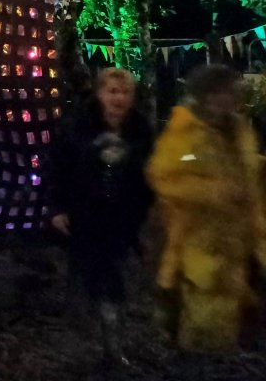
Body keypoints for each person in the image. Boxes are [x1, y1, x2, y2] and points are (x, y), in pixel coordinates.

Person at [147, 64, 266, 353]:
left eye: (232, 92)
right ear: (206, 95)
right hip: (198, 242)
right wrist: (214, 192)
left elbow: (248, 170)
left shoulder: (240, 129)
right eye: (222, 92)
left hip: (242, 238)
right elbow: (164, 176)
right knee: (201, 319)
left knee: (241, 312)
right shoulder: (184, 132)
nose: (230, 98)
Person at [47, 67, 153, 366]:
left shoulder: (140, 129)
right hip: (85, 212)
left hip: (124, 215)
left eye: (125, 92)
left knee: (114, 272)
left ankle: (111, 337)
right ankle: (92, 337)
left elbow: (149, 171)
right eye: (112, 92)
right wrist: (56, 207)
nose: (119, 99)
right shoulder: (77, 126)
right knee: (90, 270)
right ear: (100, 94)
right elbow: (58, 167)